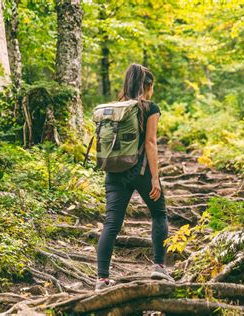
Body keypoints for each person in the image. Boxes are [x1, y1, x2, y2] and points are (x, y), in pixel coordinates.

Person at [95, 63, 174, 291]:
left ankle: (101, 279)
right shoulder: (150, 107)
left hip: (114, 172)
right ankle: (159, 266)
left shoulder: (115, 108)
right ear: (147, 86)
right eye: (152, 87)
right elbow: (150, 142)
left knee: (111, 223)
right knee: (159, 214)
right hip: (140, 172)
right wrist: (155, 178)